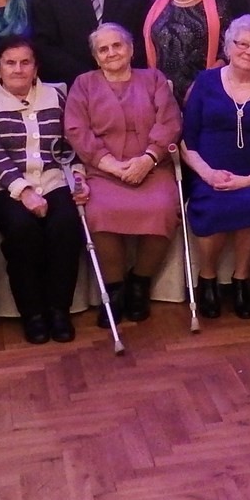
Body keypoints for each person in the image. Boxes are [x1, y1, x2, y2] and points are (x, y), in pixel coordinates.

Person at [62, 23, 182, 324]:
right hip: (103, 169)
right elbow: (76, 129)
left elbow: (170, 122)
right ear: (95, 57)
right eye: (103, 49)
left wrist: (147, 159)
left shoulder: (153, 79)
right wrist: (110, 165)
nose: (111, 53)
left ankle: (140, 282)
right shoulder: (83, 84)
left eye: (117, 45)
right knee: (99, 212)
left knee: (163, 209)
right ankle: (115, 289)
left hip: (152, 166)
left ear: (130, 49)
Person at [0, 36, 87, 344]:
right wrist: (24, 191)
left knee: (66, 226)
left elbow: (71, 143)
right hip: (5, 185)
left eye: (26, 62)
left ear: (36, 68)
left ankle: (59, 310)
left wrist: (78, 177)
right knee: (23, 231)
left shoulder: (57, 95)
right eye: (10, 63)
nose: (18, 69)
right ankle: (33, 313)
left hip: (53, 179)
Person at [180, 15, 250, 320]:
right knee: (211, 205)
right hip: (208, 172)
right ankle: (208, 278)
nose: (249, 51)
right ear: (228, 46)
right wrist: (207, 174)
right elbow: (187, 139)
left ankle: (241, 280)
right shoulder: (206, 81)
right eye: (242, 44)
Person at [142, 0, 229, 103]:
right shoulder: (154, 5)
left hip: (208, 92)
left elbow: (227, 52)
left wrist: (202, 84)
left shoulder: (219, 5)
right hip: (161, 94)